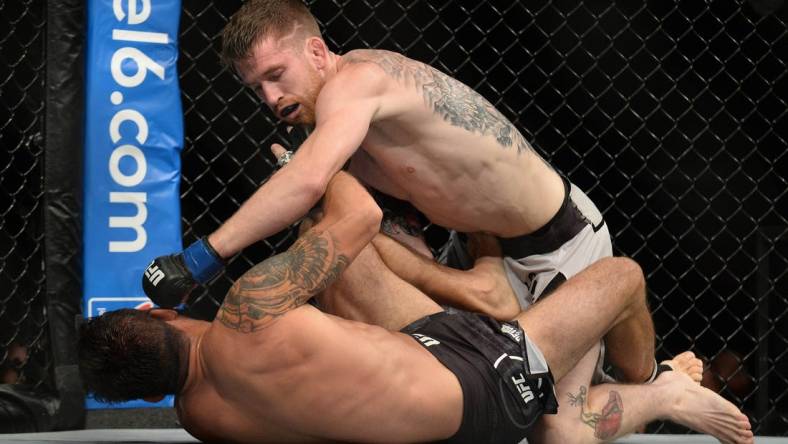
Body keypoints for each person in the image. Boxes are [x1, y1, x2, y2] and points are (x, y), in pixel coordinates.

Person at [142, 6, 656, 436]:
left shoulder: (357, 84)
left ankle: (658, 387)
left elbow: (306, 182)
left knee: (560, 431)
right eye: (256, 87)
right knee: (327, 242)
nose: (271, 98)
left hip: (558, 247)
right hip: (481, 248)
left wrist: (199, 259)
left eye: (277, 75)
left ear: (317, 53)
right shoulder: (330, 119)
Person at [90, 170, 753, 443]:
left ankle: (489, 292)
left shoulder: (201, 418)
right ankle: (655, 389)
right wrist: (314, 157)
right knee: (622, 278)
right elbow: (359, 211)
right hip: (481, 382)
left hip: (424, 375)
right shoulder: (246, 310)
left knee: (333, 267)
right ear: (159, 315)